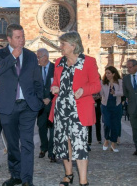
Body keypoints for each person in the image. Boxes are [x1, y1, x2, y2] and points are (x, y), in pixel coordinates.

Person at [0, 24, 43, 186]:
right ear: (9, 39)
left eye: (23, 36)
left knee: (27, 143)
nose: (22, 40)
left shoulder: (30, 55)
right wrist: (12, 57)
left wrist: (38, 100)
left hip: (28, 106)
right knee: (13, 144)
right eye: (18, 37)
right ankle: (16, 175)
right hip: (8, 106)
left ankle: (27, 180)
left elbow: (37, 80)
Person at [49, 31, 101, 186]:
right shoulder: (58, 62)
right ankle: (68, 174)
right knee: (64, 143)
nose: (60, 47)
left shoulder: (88, 62)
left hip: (79, 110)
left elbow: (97, 85)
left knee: (79, 144)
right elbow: (55, 82)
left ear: (73, 45)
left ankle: (83, 181)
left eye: (63, 44)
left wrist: (83, 91)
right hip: (61, 109)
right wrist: (54, 87)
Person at [36, 48, 56, 162]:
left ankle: (52, 151)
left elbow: (58, 84)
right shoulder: (36, 69)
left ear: (46, 57)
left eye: (39, 57)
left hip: (53, 103)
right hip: (40, 104)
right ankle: (43, 148)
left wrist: (50, 97)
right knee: (41, 127)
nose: (37, 60)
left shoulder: (55, 69)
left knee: (53, 128)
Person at [100, 66, 123, 153]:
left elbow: (122, 92)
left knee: (115, 125)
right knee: (107, 123)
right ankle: (106, 139)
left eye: (109, 73)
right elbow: (101, 93)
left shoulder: (120, 82)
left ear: (113, 74)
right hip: (105, 105)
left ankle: (113, 143)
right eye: (106, 73)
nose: (107, 75)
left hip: (116, 105)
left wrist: (115, 93)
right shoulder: (103, 82)